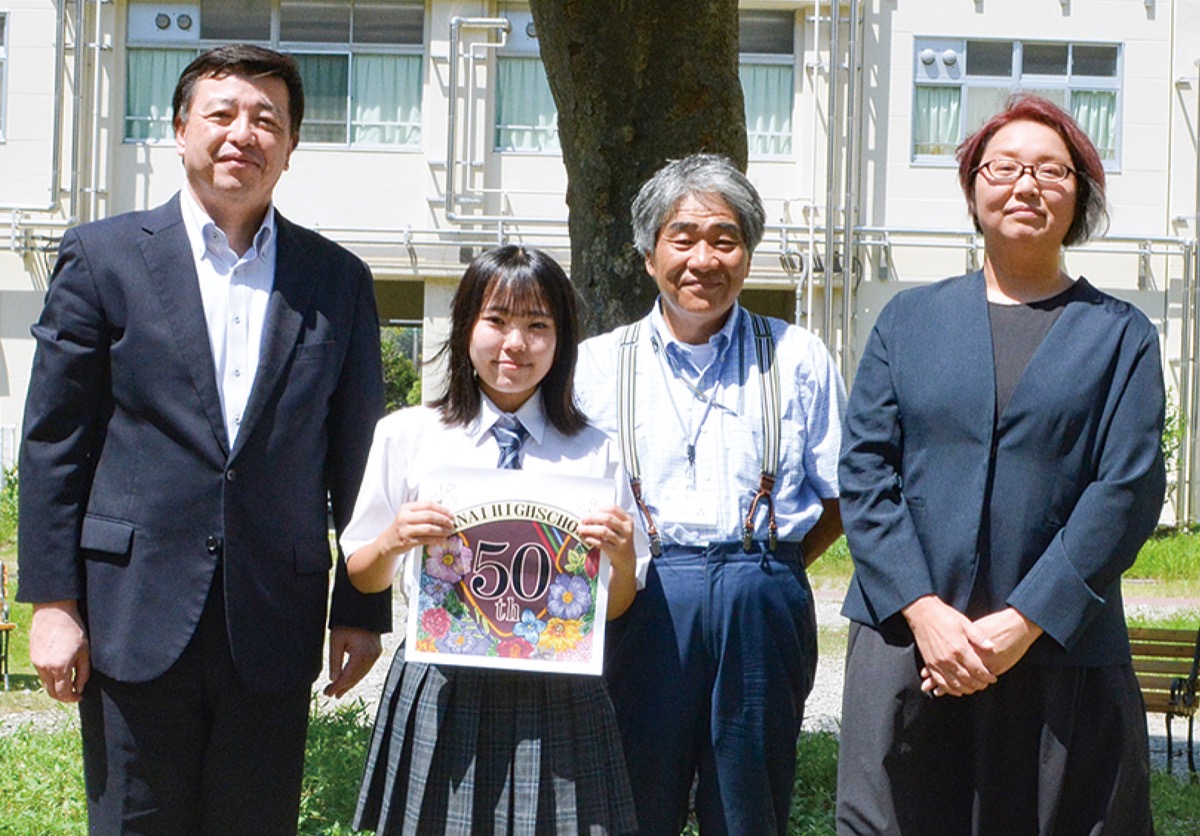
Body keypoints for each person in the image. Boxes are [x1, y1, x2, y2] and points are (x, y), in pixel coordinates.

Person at [17, 45, 389, 832]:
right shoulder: (103, 258)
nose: (242, 134)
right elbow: (55, 442)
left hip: (273, 616)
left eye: (266, 120)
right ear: (181, 129)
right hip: (131, 611)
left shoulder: (337, 280)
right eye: (221, 114)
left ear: (290, 146)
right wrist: (53, 602)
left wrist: (361, 608)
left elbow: (358, 458)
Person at [835, 95, 1165, 835]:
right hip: (911, 648)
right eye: (1004, 167)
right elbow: (865, 471)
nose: (1026, 185)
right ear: (973, 187)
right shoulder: (907, 321)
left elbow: (1126, 490)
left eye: (1051, 171)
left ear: (1080, 195)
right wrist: (924, 611)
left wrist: (1023, 622)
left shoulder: (1121, 335)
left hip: (1061, 653)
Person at [575, 153, 847, 835]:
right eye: (684, 238)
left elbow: (841, 495)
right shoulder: (596, 365)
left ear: (747, 256)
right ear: (649, 255)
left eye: (725, 240)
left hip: (762, 596)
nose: (704, 259)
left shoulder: (798, 355)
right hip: (642, 598)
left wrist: (771, 570)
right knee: (631, 801)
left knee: (750, 805)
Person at [341, 245, 641, 835]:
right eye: (496, 321)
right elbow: (362, 574)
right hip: (442, 681)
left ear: (562, 340)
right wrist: (394, 539)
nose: (515, 344)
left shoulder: (597, 450)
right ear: (464, 328)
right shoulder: (407, 435)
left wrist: (624, 559)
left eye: (538, 326)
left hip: (559, 691)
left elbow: (616, 605)